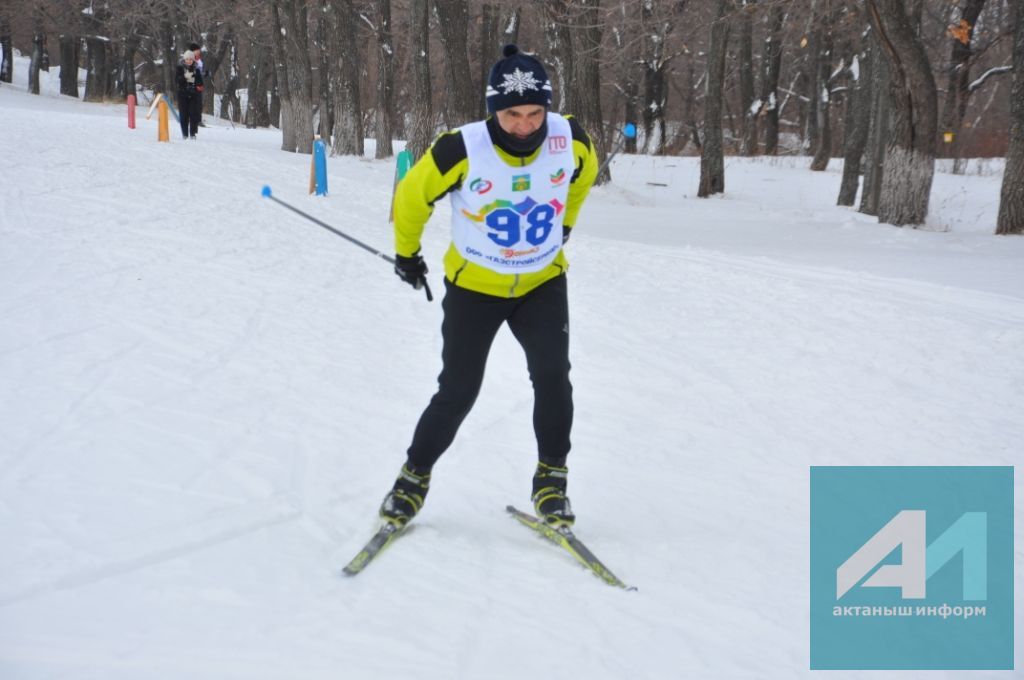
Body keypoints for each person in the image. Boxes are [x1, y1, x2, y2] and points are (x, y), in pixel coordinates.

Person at [381, 44, 598, 529]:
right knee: (457, 390)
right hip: (475, 288)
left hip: (541, 283)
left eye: (534, 112)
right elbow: (414, 197)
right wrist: (407, 254)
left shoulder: (571, 139)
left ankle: (551, 481)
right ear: (493, 111)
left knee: (553, 378)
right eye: (512, 114)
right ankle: (413, 478)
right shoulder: (460, 147)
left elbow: (583, 179)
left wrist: (565, 226)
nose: (525, 125)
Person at [175, 50, 203, 139]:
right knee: (183, 115)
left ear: (193, 60)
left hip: (194, 95)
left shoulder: (197, 69)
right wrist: (185, 77)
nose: (189, 61)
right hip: (182, 95)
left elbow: (200, 82)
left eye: (190, 59)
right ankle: (185, 134)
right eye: (187, 59)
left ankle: (193, 134)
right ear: (184, 59)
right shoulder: (180, 68)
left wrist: (195, 80)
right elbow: (177, 80)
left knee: (193, 115)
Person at [188, 43, 206, 128]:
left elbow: (199, 71)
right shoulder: (189, 59)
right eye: (197, 50)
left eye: (199, 51)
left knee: (199, 103)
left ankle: (198, 120)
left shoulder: (199, 60)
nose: (199, 52)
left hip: (198, 85)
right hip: (191, 84)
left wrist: (205, 73)